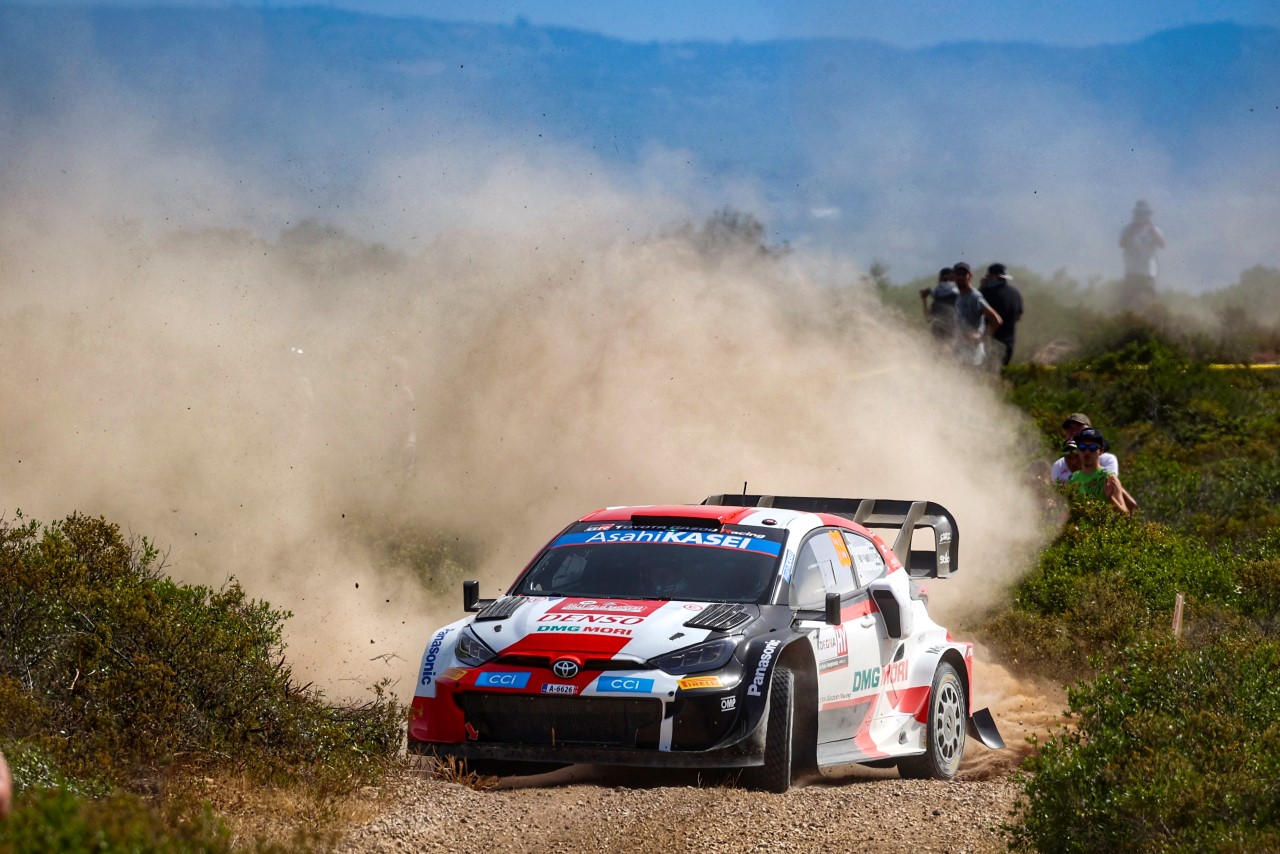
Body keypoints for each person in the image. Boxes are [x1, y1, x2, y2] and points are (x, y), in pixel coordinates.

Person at [1068, 428, 1137, 514]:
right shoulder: (1073, 478)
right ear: (1078, 450)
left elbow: (1125, 515)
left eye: (1092, 448)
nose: (1087, 452)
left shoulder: (1108, 478)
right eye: (1082, 447)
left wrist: (1111, 498)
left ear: (1101, 451)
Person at [951, 261, 1003, 368]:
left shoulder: (975, 297)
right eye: (958, 274)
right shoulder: (959, 296)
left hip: (973, 355)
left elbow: (996, 319)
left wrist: (981, 338)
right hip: (961, 352)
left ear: (970, 276)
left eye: (964, 274)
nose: (960, 277)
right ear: (953, 277)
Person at [1118, 199, 1166, 311]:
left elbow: (1162, 244)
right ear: (1135, 214)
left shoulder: (1155, 230)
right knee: (1128, 303)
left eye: (1145, 213)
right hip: (1132, 272)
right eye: (1139, 213)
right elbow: (1122, 244)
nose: (1142, 216)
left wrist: (1152, 229)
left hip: (1148, 273)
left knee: (1148, 303)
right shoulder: (1127, 229)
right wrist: (1132, 230)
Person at [979, 263, 1024, 368]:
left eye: (989, 276)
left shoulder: (987, 292)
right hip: (1009, 344)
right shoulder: (1016, 293)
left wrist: (982, 287)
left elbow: (975, 306)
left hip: (991, 344)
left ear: (993, 277)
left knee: (985, 374)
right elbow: (1019, 316)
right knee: (1001, 372)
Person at [1051, 413, 1118, 482]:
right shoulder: (1059, 466)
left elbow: (1108, 484)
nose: (1074, 433)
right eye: (1070, 430)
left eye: (1079, 428)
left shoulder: (1106, 460)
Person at [920, 267, 959, 342]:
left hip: (949, 332)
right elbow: (928, 318)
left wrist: (925, 297)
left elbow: (928, 318)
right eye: (946, 280)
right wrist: (924, 299)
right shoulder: (937, 301)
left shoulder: (954, 294)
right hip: (942, 333)